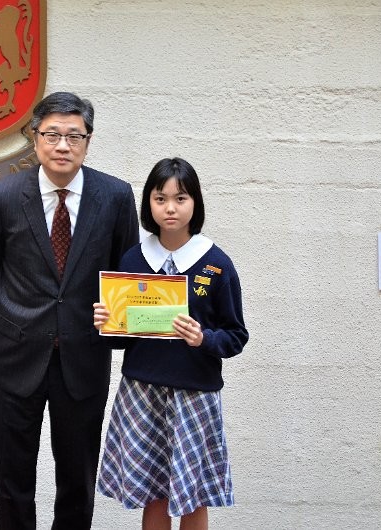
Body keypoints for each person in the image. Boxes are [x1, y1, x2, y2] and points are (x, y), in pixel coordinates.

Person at [0, 91, 139, 530]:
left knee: (78, 480)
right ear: (35, 138)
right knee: (12, 479)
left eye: (74, 136)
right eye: (52, 135)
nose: (63, 145)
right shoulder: (3, 195)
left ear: (88, 140)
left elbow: (124, 269)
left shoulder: (115, 196)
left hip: (83, 356)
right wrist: (23, 311)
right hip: (15, 355)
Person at [93, 157, 248, 530]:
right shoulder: (134, 258)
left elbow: (236, 335)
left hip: (195, 395)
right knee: (154, 494)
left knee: (193, 498)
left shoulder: (216, 264)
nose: (170, 208)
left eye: (181, 198)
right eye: (160, 198)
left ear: (195, 202)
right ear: (148, 203)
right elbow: (122, 340)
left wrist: (204, 338)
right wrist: (107, 325)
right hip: (142, 392)